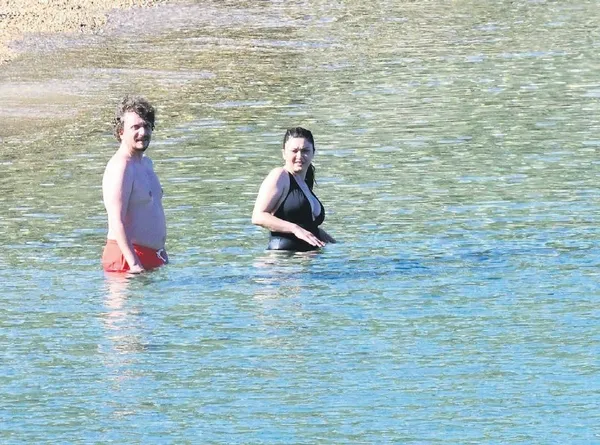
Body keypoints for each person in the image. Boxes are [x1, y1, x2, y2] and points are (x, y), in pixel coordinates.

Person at [101, 95, 168, 273]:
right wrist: (134, 264)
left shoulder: (147, 164)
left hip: (152, 256)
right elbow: (116, 220)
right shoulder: (121, 167)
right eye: (135, 127)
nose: (143, 133)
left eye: (146, 126)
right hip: (126, 259)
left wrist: (162, 253)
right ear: (121, 132)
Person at [252, 127, 336, 251]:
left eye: (305, 151)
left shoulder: (305, 183)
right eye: (294, 151)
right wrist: (295, 229)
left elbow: (307, 225)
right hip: (282, 259)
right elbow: (258, 216)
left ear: (313, 152)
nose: (299, 156)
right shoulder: (280, 176)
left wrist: (331, 241)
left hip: (307, 259)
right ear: (284, 153)